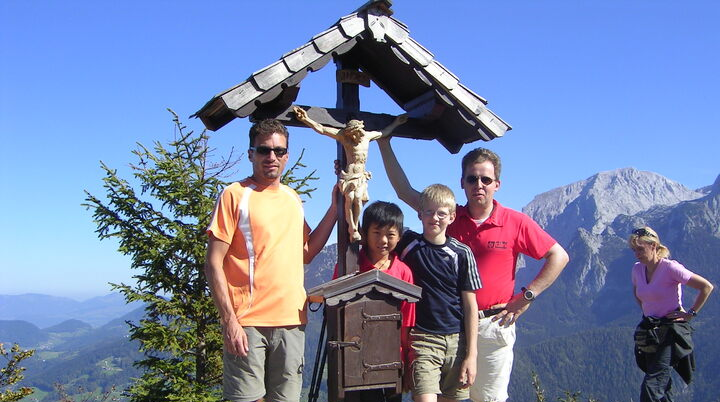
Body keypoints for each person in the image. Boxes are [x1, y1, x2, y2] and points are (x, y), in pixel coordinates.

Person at [377, 141, 569, 402]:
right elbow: (403, 191)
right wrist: (383, 143)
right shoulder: (447, 216)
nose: (479, 184)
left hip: (493, 324)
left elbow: (559, 256)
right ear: (462, 182)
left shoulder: (515, 222)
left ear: (496, 184)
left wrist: (526, 298)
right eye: (472, 178)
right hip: (449, 329)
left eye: (486, 179)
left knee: (488, 399)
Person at [204, 118, 338, 402]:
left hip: (291, 320)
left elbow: (307, 251)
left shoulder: (291, 198)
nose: (271, 157)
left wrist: (335, 208)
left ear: (287, 155)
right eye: (264, 150)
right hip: (247, 322)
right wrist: (229, 321)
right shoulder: (235, 195)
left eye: (279, 151)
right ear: (251, 154)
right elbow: (213, 262)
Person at [394, 184, 480, 402]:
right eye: (429, 212)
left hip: (457, 341)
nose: (435, 217)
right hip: (423, 339)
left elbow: (470, 305)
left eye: (442, 213)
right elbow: (378, 237)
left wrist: (471, 355)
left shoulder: (462, 253)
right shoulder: (408, 244)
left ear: (451, 217)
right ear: (419, 214)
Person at [332, 200, 416, 402]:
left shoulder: (403, 271)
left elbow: (407, 323)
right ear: (364, 233)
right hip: (353, 358)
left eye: (390, 234)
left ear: (400, 236)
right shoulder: (351, 265)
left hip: (391, 360)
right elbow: (334, 306)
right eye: (376, 233)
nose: (383, 240)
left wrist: (406, 361)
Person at [294, 106, 407, 242]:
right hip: (348, 176)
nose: (352, 137)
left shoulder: (367, 137)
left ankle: (355, 226)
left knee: (358, 199)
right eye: (350, 134)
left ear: (359, 131)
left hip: (360, 177)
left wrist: (397, 123)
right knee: (350, 199)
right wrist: (306, 119)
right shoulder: (344, 137)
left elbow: (384, 132)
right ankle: (352, 228)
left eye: (354, 134)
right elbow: (322, 129)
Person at [629, 226, 713, 402]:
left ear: (654, 246)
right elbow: (638, 294)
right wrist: (648, 313)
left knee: (651, 387)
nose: (637, 254)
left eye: (640, 249)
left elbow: (706, 287)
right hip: (651, 330)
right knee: (662, 385)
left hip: (671, 332)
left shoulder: (670, 268)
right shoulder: (637, 269)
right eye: (634, 249)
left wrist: (690, 313)